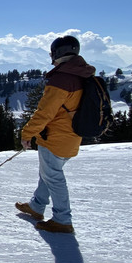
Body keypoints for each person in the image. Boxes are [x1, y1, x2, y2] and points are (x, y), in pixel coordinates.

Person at [16, 35, 96, 233]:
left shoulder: (62, 79)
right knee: (48, 174)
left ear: (57, 53)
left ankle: (62, 219)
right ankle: (36, 206)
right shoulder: (81, 74)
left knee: (53, 177)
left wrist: (27, 133)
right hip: (71, 136)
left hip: (56, 137)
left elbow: (45, 112)